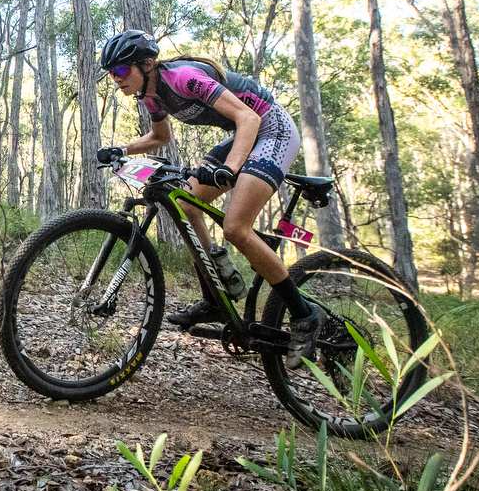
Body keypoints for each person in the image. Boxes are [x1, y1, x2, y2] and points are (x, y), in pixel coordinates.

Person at [94, 29, 325, 368]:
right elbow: (160, 137)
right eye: (111, 74)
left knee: (235, 228)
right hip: (246, 133)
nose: (116, 80)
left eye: (121, 71)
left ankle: (305, 315)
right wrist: (123, 149)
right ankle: (216, 293)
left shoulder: (184, 78)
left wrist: (229, 169)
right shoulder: (151, 95)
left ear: (146, 64)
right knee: (185, 205)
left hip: (271, 129)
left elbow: (249, 117)